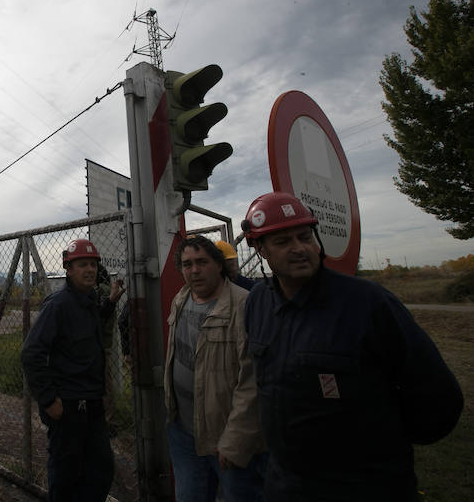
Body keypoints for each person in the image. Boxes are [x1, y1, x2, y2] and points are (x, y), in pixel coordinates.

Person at [241, 192, 463, 501]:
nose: (299, 249)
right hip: (285, 486)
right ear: (259, 249)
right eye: (282, 242)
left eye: (305, 237)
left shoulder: (368, 303)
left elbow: (438, 399)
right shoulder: (257, 303)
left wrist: (381, 449)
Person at [164, 235, 265, 502]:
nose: (194, 270)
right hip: (183, 433)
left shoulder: (244, 305)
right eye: (187, 264)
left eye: (202, 262)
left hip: (227, 439)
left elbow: (253, 382)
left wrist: (235, 440)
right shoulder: (181, 299)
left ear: (219, 265)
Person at [21, 238, 121, 502]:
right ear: (68, 268)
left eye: (92, 264)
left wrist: (110, 302)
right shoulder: (58, 305)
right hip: (67, 407)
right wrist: (48, 399)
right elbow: (31, 353)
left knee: (101, 469)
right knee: (66, 475)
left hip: (93, 404)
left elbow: (93, 325)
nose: (89, 269)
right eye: (82, 265)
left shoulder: (88, 301)